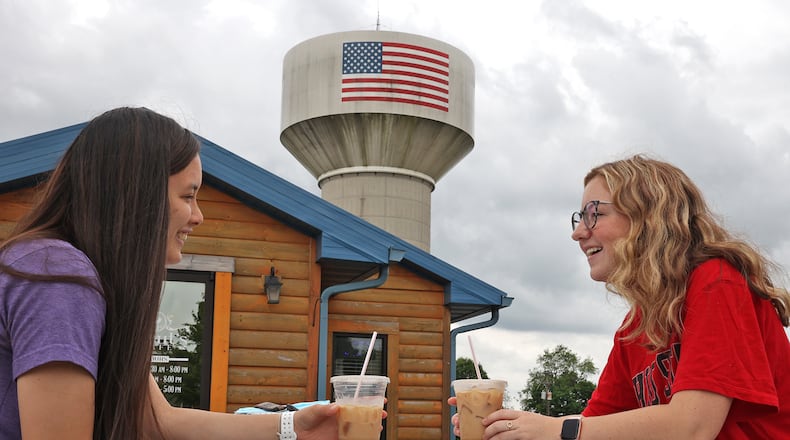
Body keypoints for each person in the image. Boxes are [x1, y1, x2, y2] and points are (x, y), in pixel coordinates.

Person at [0, 107, 346, 439]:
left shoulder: (72, 273)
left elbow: (157, 421)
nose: (198, 217)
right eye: (188, 196)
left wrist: (295, 428)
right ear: (137, 195)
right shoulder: (56, 275)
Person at [449, 154, 790, 439]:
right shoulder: (637, 324)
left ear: (649, 217)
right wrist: (512, 428)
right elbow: (596, 423)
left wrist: (556, 430)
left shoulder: (717, 281)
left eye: (594, 213)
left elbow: (694, 426)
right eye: (579, 217)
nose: (578, 232)